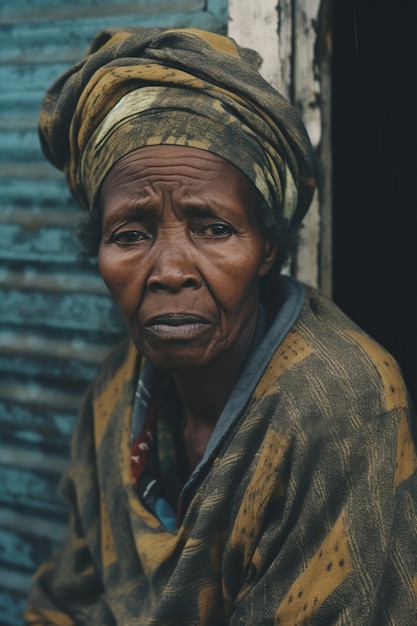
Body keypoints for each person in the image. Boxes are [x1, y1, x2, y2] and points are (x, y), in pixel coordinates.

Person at [24, 27, 417, 625]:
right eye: (130, 234)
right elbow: (64, 603)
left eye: (213, 228)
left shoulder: (339, 406)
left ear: (266, 249)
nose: (170, 271)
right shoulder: (113, 397)